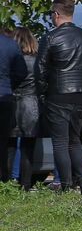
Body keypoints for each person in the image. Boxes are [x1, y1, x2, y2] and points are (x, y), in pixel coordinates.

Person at [35, 0, 82, 192]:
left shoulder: (50, 37)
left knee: (60, 142)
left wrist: (43, 94)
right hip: (81, 93)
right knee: (75, 140)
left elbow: (41, 69)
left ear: (56, 14)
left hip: (58, 91)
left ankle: (66, 184)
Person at [11, 28, 42, 190]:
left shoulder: (12, 60)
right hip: (31, 105)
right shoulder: (37, 60)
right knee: (27, 148)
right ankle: (26, 184)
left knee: (9, 145)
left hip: (13, 103)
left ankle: (7, 181)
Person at [0, 28, 26, 182]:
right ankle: (3, 178)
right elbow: (21, 71)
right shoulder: (10, 45)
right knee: (3, 141)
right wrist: (10, 84)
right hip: (4, 96)